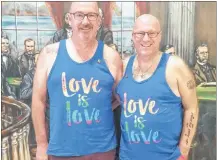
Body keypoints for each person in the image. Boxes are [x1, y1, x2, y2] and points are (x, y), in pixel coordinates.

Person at [32, 2, 122, 160]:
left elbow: (119, 97)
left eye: (91, 15)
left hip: (103, 150)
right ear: (69, 19)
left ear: (99, 21)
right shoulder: (49, 54)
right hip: (61, 150)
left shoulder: (111, 57)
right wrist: (41, 144)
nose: (85, 21)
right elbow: (38, 101)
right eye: (79, 15)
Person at [115, 14, 199, 160]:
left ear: (159, 36)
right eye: (140, 33)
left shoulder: (175, 66)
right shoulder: (123, 66)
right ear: (133, 36)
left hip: (167, 156)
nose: (146, 38)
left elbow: (192, 107)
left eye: (151, 33)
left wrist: (183, 151)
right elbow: (117, 99)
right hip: (127, 156)